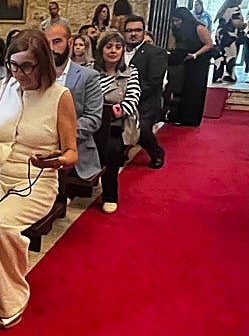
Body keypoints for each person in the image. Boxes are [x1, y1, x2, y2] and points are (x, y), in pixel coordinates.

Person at [0, 29, 78, 327]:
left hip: (37, 179)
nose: (19, 73)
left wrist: (56, 161)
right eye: (13, 65)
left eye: (27, 66)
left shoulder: (59, 96)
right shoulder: (3, 87)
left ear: (43, 63)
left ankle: (12, 294)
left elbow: (72, 153)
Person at [44, 22, 104, 182]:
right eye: (47, 43)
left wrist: (59, 133)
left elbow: (93, 118)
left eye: (57, 42)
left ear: (69, 43)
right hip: (39, 145)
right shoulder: (37, 76)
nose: (51, 48)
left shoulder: (88, 76)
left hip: (75, 148)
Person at [93, 31, 140, 213]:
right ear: (101, 49)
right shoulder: (91, 71)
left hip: (114, 125)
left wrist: (112, 112)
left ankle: (110, 195)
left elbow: (133, 98)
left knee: (112, 152)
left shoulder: (130, 72)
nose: (113, 51)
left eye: (118, 47)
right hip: (91, 121)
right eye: (109, 46)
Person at [123, 14, 167, 168]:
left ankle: (157, 152)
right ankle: (120, 152)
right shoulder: (118, 49)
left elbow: (154, 82)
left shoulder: (155, 52)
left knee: (140, 126)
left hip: (145, 100)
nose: (133, 34)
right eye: (129, 30)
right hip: (120, 98)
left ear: (143, 32)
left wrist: (131, 96)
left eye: (137, 30)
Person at [166, 8, 214, 126]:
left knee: (195, 90)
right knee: (185, 89)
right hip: (186, 61)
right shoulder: (179, 30)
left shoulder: (199, 27)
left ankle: (191, 118)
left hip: (199, 62)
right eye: (174, 21)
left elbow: (209, 44)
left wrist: (195, 55)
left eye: (178, 21)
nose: (176, 23)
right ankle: (181, 116)